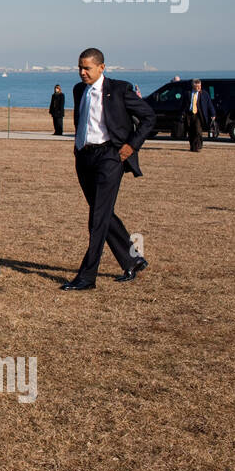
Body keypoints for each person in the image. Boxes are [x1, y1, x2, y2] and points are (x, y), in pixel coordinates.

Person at [62, 48, 156, 290]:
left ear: (101, 68)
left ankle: (87, 276)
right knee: (101, 212)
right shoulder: (78, 89)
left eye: (87, 68)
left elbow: (148, 117)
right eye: (79, 68)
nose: (82, 72)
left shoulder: (119, 89)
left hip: (109, 157)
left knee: (97, 218)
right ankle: (133, 259)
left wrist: (131, 146)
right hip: (84, 157)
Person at [185, 79, 213, 152]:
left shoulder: (204, 94)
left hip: (199, 114)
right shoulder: (188, 93)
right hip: (189, 114)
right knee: (191, 131)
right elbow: (183, 104)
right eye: (197, 86)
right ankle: (192, 146)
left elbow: (209, 104)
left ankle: (198, 146)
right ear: (193, 86)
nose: (199, 88)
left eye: (200, 86)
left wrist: (213, 114)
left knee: (198, 130)